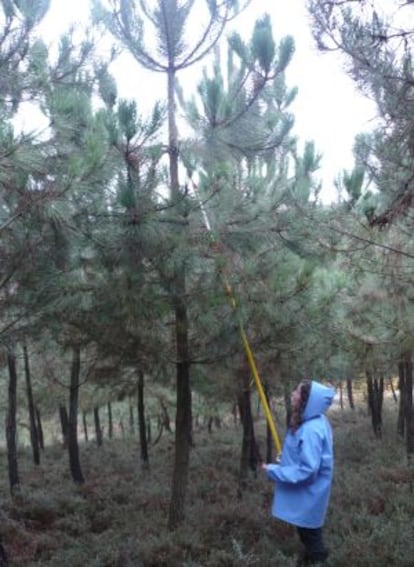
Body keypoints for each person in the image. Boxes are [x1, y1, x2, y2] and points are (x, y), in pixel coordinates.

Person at [262, 380, 335, 566]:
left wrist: (275, 471)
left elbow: (308, 471)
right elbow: (306, 456)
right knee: (308, 533)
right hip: (311, 494)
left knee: (312, 536)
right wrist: (287, 458)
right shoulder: (316, 420)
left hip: (311, 495)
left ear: (306, 400)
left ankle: (318, 561)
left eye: (297, 392)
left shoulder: (311, 430)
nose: (293, 394)